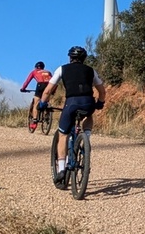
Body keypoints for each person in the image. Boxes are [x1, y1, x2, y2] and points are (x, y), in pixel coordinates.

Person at [38, 46, 106, 183]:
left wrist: (42, 104)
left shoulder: (62, 69)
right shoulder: (91, 71)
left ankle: (62, 169)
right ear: (84, 58)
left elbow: (48, 91)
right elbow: (102, 90)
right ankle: (86, 137)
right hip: (88, 102)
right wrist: (100, 103)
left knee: (63, 134)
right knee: (89, 114)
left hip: (72, 103)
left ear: (70, 58)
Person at [20, 61, 52, 129]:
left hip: (40, 85)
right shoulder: (48, 72)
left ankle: (34, 121)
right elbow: (53, 81)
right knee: (46, 100)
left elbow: (27, 81)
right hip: (49, 85)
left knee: (36, 103)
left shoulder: (34, 72)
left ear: (35, 67)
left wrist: (23, 88)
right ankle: (47, 114)